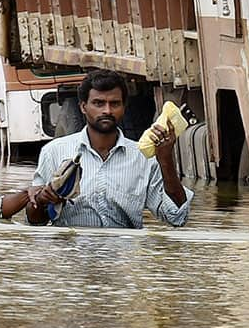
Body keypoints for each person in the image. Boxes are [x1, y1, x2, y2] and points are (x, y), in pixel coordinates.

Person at [26, 70, 193, 228]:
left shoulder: (143, 158)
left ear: (124, 107)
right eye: (98, 103)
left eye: (114, 104)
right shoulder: (54, 152)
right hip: (73, 254)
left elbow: (176, 217)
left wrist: (165, 159)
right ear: (83, 107)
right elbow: (35, 220)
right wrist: (41, 200)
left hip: (126, 255)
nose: (107, 110)